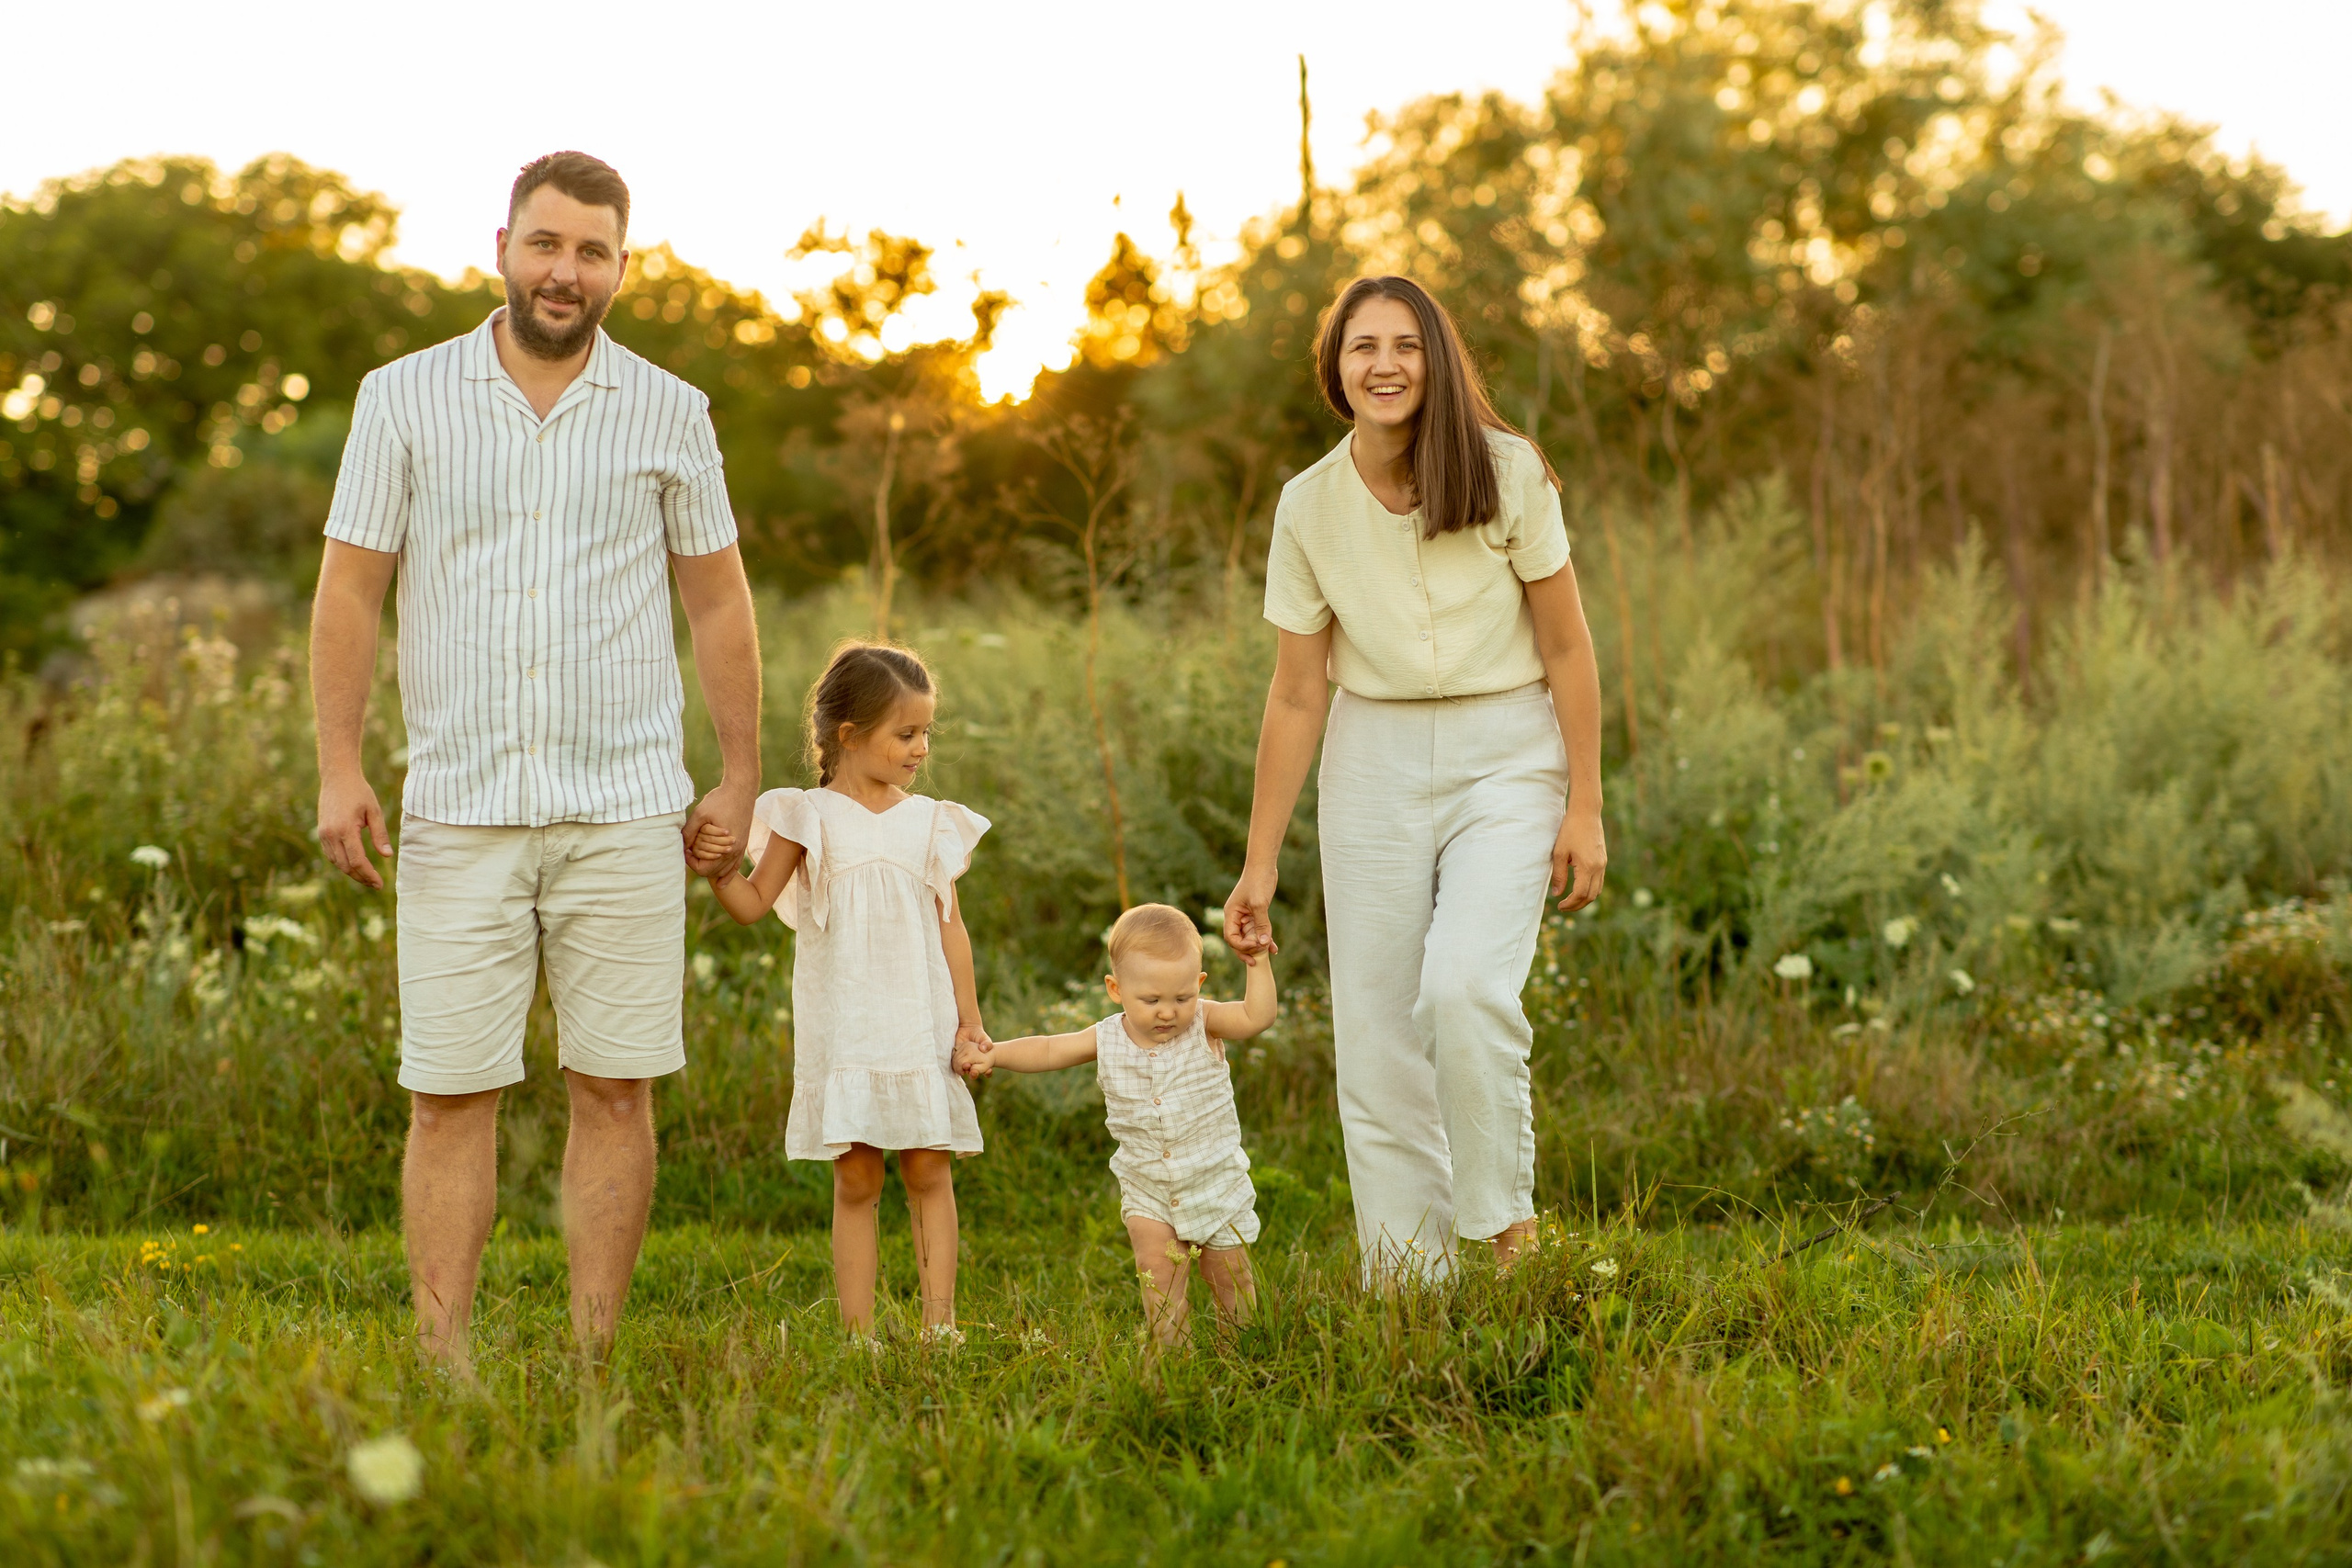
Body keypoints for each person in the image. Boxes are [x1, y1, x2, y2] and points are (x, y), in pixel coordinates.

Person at [311, 152, 762, 1373]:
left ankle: (596, 1354)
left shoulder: (672, 410)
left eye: (593, 251)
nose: (566, 271)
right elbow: (352, 588)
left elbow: (718, 602)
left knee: (616, 1085)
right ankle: (444, 1359)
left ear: (622, 265)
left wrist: (738, 774)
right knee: (449, 1090)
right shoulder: (402, 397)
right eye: (547, 243)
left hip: (625, 804)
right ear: (502, 244)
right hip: (459, 806)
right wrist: (339, 766)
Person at [1220, 276, 1608, 1285]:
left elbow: (1568, 648)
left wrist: (1585, 805)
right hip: (1373, 756)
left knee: (1465, 988)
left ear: (1436, 360)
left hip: (1508, 749)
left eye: (1404, 344)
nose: (1383, 364)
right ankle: (1410, 1286)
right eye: (1361, 347)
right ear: (1334, 370)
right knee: (1379, 1030)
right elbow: (1297, 693)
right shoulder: (1307, 506)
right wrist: (1258, 863)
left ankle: (1503, 1233)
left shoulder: (1507, 472)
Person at [693, 642, 989, 1343]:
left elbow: (954, 932)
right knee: (857, 1180)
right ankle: (858, 1336)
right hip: (849, 1029)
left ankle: (938, 1327)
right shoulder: (807, 817)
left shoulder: (929, 822)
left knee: (927, 1170)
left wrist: (970, 1024)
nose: (921, 748)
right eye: (906, 733)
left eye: (926, 733)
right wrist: (716, 869)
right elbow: (751, 903)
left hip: (920, 1023)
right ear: (850, 734)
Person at [956, 904, 1276, 1348]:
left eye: (1181, 997)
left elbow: (1256, 1017)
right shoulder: (1105, 1037)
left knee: (1230, 1276)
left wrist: (1258, 964)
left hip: (1215, 1180)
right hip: (1148, 1187)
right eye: (1151, 1000)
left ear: (1198, 985)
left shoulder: (1206, 1022)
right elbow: (1049, 1050)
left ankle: (1242, 1351)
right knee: (1158, 1272)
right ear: (1115, 988)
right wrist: (996, 1054)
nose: (1168, 1012)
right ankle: (1173, 1360)